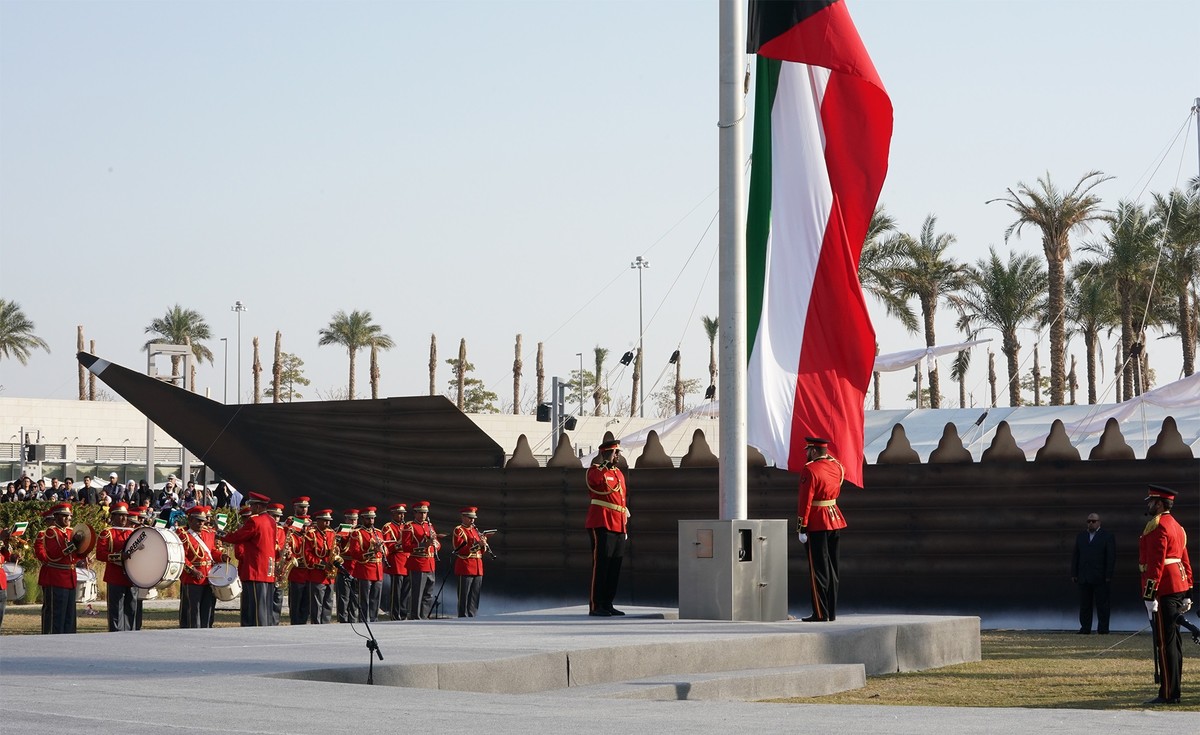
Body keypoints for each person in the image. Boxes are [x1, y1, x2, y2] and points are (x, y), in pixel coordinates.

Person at [1139, 484, 1194, 705]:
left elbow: (1156, 564)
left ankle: (1169, 693)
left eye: (1152, 502)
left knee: (1165, 643)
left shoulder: (1158, 526)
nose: (1149, 505)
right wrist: (1188, 590)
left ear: (1160, 504)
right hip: (1178, 585)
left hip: (1164, 588)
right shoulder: (1178, 526)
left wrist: (1149, 594)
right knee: (1174, 642)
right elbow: (1185, 560)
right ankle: (1173, 690)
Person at [796, 437, 847, 622]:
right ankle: (831, 612)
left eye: (808, 451)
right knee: (833, 569)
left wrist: (802, 526)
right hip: (834, 518)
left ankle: (820, 613)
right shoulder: (838, 467)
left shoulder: (810, 469)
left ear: (813, 451)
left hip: (817, 522)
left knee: (818, 570)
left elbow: (805, 501)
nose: (806, 454)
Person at [217, 492, 277, 626]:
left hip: (255, 569)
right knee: (265, 606)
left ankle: (258, 631)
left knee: (255, 609)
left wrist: (221, 534)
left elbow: (238, 537)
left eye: (252, 505)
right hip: (267, 568)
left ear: (258, 506)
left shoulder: (255, 521)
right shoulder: (271, 520)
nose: (251, 508)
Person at [586, 439, 629, 617]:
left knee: (614, 566)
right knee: (601, 566)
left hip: (618, 523)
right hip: (602, 522)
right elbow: (594, 481)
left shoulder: (618, 473)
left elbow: (622, 500)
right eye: (615, 452)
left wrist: (624, 525)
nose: (618, 455)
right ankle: (596, 605)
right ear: (608, 453)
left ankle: (607, 603)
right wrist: (604, 464)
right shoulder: (595, 470)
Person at [33, 503, 88, 634]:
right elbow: (55, 554)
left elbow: (76, 554)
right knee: (56, 616)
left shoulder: (70, 532)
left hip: (70, 576)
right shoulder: (51, 532)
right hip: (57, 576)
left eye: (69, 516)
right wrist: (74, 544)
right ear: (56, 517)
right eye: (64, 516)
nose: (68, 518)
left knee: (69, 616)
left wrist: (83, 551)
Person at [95, 503, 142, 631]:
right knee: (116, 610)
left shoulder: (133, 533)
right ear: (113, 517)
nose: (124, 518)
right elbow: (100, 554)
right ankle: (116, 634)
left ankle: (130, 634)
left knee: (131, 609)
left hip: (132, 576)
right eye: (120, 515)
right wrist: (119, 556)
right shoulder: (107, 533)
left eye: (125, 516)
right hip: (115, 576)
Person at [1071, 512, 1115, 634]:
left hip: (1100, 576)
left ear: (1099, 522)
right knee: (1085, 605)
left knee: (1102, 604)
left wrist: (1108, 575)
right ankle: (1085, 628)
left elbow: (1110, 557)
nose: (1091, 523)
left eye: (1093, 521)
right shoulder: (1081, 536)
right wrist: (1074, 573)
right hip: (1084, 576)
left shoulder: (1107, 536)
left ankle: (1103, 629)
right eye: (1089, 521)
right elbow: (1076, 555)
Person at [177, 506, 221, 628]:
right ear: (190, 520)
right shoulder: (183, 535)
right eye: (198, 520)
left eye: (203, 521)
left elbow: (211, 551)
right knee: (193, 610)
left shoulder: (208, 533)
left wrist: (221, 557)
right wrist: (193, 570)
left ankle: (205, 630)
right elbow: (181, 557)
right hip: (192, 578)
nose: (201, 523)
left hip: (208, 576)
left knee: (207, 609)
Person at [346, 506, 384, 622]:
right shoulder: (357, 533)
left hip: (378, 569)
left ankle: (373, 619)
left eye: (372, 518)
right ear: (363, 519)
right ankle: (364, 621)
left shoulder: (378, 532)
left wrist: (382, 549)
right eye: (368, 518)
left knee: (375, 599)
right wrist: (372, 551)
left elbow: (385, 551)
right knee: (364, 599)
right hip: (365, 569)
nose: (371, 521)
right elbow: (355, 553)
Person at [403, 501, 440, 619]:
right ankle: (415, 616)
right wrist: (424, 544)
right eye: (420, 513)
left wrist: (435, 544)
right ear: (415, 513)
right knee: (417, 593)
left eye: (425, 513)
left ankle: (423, 617)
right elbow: (405, 546)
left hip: (430, 563)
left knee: (428, 594)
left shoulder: (429, 526)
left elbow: (437, 544)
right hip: (418, 563)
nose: (423, 515)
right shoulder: (410, 526)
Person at [303, 509, 340, 624]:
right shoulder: (311, 534)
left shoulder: (331, 533)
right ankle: (316, 625)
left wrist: (335, 554)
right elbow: (307, 555)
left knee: (328, 603)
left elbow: (334, 549)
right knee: (317, 604)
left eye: (329, 521)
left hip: (330, 575)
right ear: (318, 520)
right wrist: (323, 564)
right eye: (325, 521)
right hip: (317, 574)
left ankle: (326, 625)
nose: (328, 523)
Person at [453, 506, 489, 618]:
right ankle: (462, 617)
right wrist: (478, 545)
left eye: (473, 518)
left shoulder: (475, 531)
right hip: (466, 566)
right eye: (469, 517)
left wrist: (483, 544)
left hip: (477, 566)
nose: (472, 520)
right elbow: (460, 549)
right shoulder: (459, 530)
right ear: (463, 517)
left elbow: (481, 552)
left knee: (474, 596)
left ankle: (472, 616)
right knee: (464, 596)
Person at [382, 503, 410, 620]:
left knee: (406, 591)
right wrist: (399, 543)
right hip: (396, 561)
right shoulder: (388, 527)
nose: (402, 516)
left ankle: (403, 614)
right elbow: (387, 546)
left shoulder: (407, 526)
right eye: (399, 514)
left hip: (407, 560)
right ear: (393, 514)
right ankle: (395, 614)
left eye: (403, 514)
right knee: (396, 592)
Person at [335, 509, 359, 623]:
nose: (353, 522)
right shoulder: (341, 531)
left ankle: (353, 619)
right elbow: (338, 547)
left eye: (355, 519)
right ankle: (343, 620)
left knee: (355, 597)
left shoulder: (359, 531)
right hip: (344, 567)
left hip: (356, 567)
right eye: (351, 519)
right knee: (343, 597)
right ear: (346, 519)